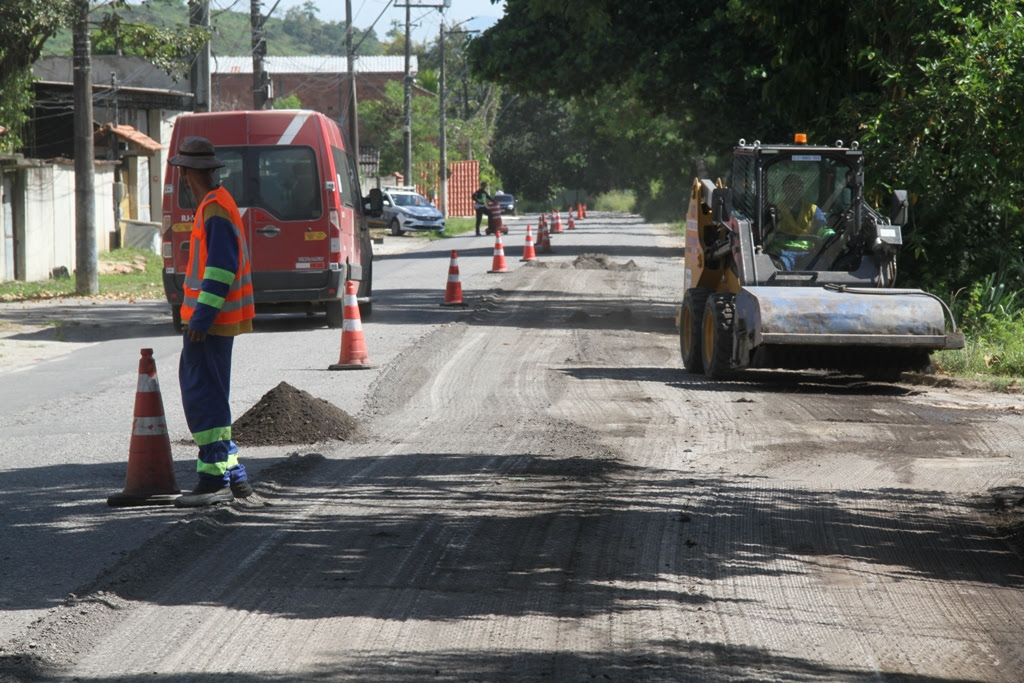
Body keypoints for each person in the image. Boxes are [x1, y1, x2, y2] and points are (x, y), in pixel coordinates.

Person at [169, 136, 257, 507]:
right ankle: (231, 475)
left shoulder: (214, 209)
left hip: (210, 325)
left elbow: (220, 269)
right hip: (215, 323)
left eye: (181, 173)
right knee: (211, 397)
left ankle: (215, 477)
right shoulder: (217, 204)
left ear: (188, 173)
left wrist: (201, 319)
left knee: (204, 398)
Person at [768, 173, 835, 270]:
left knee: (821, 266)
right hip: (783, 252)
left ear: (802, 190)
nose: (794, 190)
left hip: (808, 253)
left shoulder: (813, 209)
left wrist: (830, 236)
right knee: (778, 269)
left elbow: (822, 228)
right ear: (783, 189)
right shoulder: (775, 209)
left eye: (798, 187)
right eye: (790, 187)